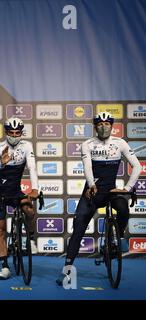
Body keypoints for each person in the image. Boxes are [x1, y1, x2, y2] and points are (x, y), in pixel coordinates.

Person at [57, 111, 141, 285]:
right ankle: (67, 271)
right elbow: (87, 167)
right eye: (100, 124)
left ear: (112, 125)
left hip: (111, 190)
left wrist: (126, 189)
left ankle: (117, 238)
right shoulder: (87, 144)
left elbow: (137, 166)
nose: (104, 127)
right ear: (95, 126)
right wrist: (91, 184)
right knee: (79, 226)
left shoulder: (120, 143)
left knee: (124, 209)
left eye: (107, 124)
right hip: (92, 191)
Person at [0, 117, 39, 280]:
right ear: (6, 132)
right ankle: (4, 267)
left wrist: (35, 188)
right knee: (0, 230)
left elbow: (32, 167)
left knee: (29, 210)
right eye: (11, 133)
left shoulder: (26, 146)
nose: (15, 136)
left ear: (21, 133)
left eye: (18, 133)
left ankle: (30, 239)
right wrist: (2, 164)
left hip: (15, 192)